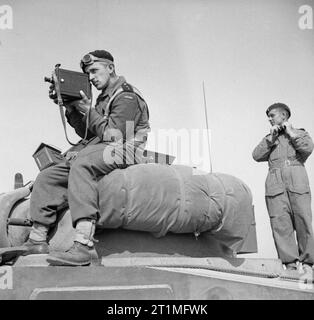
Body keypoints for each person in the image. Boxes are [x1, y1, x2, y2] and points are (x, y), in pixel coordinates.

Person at [23, 50, 150, 266]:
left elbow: (114, 135)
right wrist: (72, 109)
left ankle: (83, 245)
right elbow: (88, 133)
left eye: (94, 71)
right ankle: (37, 238)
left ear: (110, 68)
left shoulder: (127, 96)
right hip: (101, 148)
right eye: (88, 73)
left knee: (82, 164)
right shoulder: (103, 98)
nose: (91, 77)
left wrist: (89, 110)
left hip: (127, 149)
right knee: (50, 174)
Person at [252, 103, 314, 274]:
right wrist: (270, 139)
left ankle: (308, 264)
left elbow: (308, 148)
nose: (269, 119)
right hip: (275, 185)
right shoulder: (270, 138)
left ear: (284, 115)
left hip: (297, 181)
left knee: (303, 221)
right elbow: (256, 155)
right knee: (280, 224)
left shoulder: (300, 133)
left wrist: (291, 132)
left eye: (272, 115)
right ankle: (290, 265)